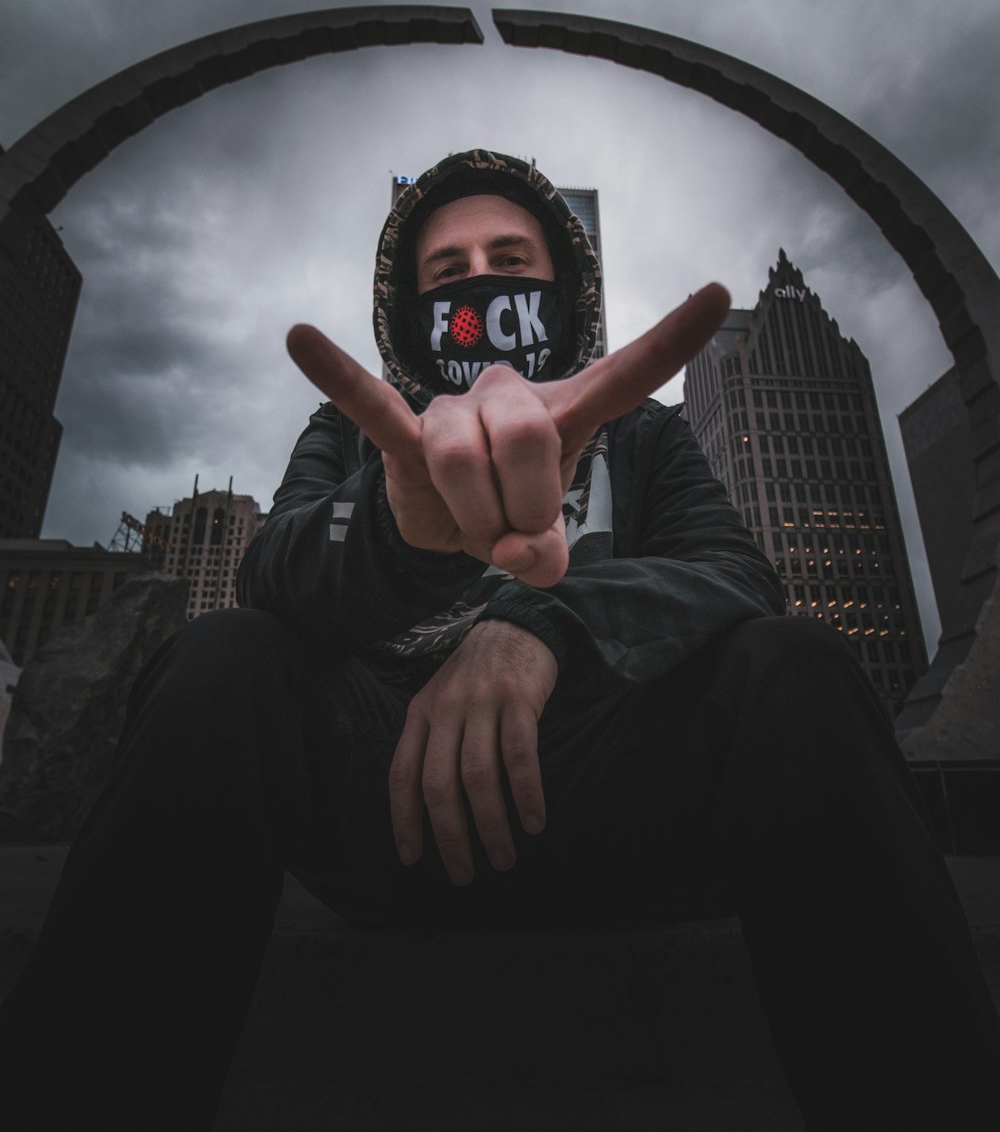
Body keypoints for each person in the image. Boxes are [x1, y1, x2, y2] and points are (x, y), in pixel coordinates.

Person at [1, 148, 997, 1130]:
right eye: (447, 272)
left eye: (510, 262)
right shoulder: (350, 432)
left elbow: (735, 573)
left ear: (561, 295)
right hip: (391, 809)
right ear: (406, 313)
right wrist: (400, 521)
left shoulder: (644, 435)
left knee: (797, 663)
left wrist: (538, 626)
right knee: (222, 657)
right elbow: (274, 570)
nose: (478, 285)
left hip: (612, 799)